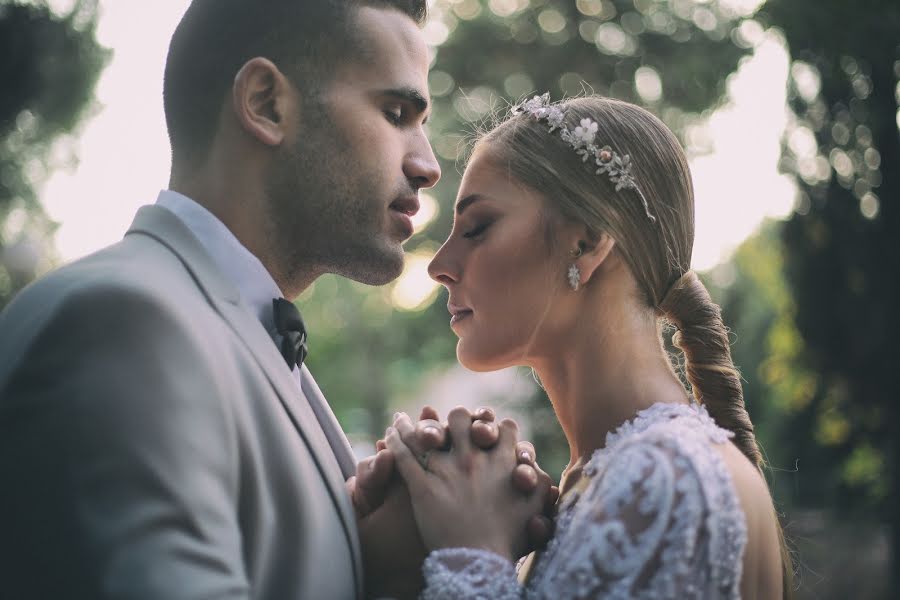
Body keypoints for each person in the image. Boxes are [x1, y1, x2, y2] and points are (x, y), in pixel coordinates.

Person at [0, 1, 552, 598]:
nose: (426, 165)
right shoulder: (120, 327)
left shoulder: (230, 330)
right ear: (265, 103)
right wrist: (471, 560)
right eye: (396, 113)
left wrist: (384, 563)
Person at [385, 94, 794, 599]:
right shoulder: (609, 475)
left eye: (477, 228)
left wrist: (472, 552)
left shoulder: (664, 479)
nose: (439, 264)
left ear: (586, 242)